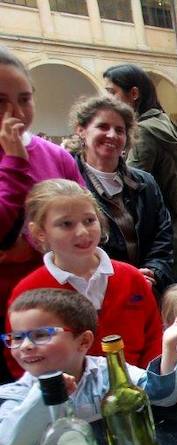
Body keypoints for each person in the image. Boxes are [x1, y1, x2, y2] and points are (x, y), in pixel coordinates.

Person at [5, 179, 163, 378]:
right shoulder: (29, 292)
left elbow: (154, 337)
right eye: (66, 224)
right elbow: (20, 356)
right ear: (40, 232)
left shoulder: (132, 277)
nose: (82, 232)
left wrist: (146, 384)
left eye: (89, 220)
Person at [0, 289, 177, 445]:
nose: (26, 346)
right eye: (16, 337)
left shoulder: (106, 372)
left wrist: (170, 347)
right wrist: (46, 392)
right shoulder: (14, 395)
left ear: (84, 341)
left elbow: (161, 396)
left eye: (40, 335)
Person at [0, 47, 85, 382]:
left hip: (58, 300)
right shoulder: (19, 159)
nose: (15, 112)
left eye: (24, 98)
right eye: (1, 101)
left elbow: (84, 217)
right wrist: (15, 162)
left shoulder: (56, 157)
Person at [103, 63, 177, 282]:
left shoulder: (144, 132)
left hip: (162, 231)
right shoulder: (161, 121)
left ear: (133, 94)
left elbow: (131, 185)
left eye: (112, 92)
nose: (109, 100)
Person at [71, 96, 175, 293]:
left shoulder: (145, 183)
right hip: (98, 293)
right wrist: (124, 277)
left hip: (148, 290)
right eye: (103, 127)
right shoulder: (70, 185)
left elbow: (163, 235)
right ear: (81, 130)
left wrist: (153, 272)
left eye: (120, 130)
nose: (112, 135)